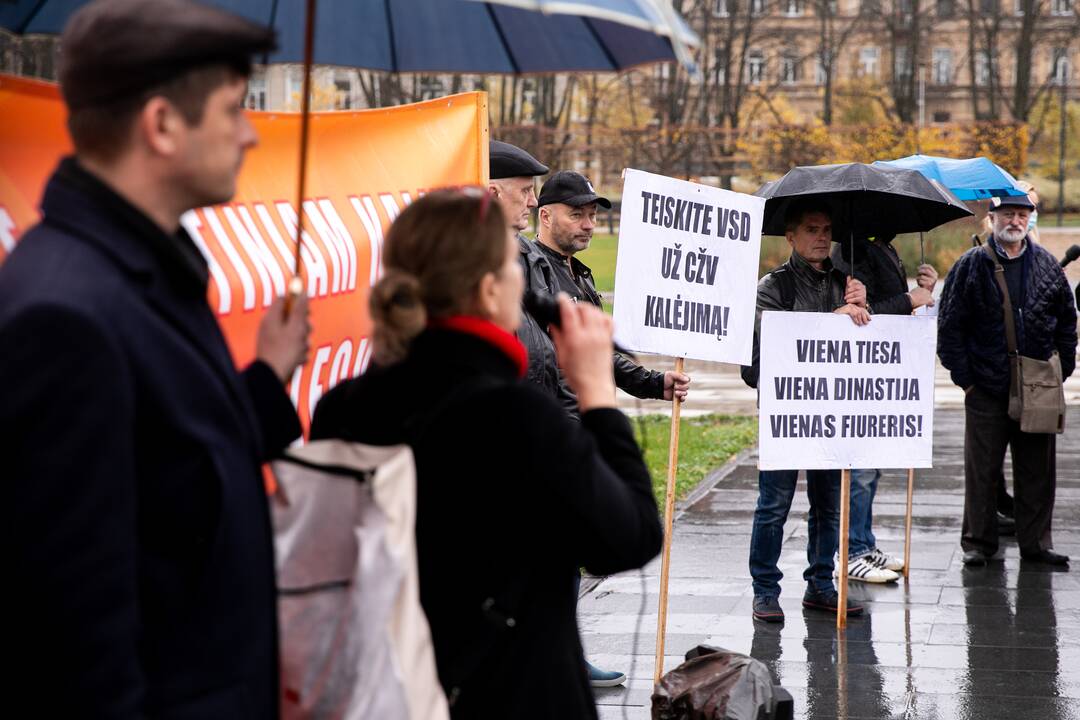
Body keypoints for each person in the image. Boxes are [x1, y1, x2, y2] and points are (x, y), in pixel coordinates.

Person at [1, 1, 311, 717]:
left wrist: (266, 378)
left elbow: (173, 482)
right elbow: (75, 651)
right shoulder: (64, 316)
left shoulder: (146, 271)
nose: (252, 133)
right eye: (235, 109)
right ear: (163, 124)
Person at [310, 191, 663, 719]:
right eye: (510, 265)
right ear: (489, 288)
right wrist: (598, 398)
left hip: (388, 687)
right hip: (509, 691)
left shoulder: (344, 407)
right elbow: (628, 538)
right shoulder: (515, 415)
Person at [740, 199, 870, 623]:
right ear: (791, 237)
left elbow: (868, 343)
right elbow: (776, 342)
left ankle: (821, 583)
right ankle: (765, 589)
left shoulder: (846, 282)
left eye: (827, 229)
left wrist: (864, 306)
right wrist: (836, 316)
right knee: (774, 504)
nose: (822, 237)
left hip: (833, 414)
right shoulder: (771, 287)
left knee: (830, 504)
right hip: (787, 414)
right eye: (812, 229)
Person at [937, 194, 1077, 568]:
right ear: (992, 218)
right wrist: (967, 380)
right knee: (982, 470)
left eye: (1022, 214)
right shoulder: (970, 266)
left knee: (1038, 470)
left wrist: (1060, 370)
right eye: (1008, 214)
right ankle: (978, 544)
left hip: (1037, 384)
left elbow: (1067, 321)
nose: (1015, 221)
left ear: (1030, 220)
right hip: (985, 385)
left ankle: (1036, 544)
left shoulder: (1047, 264)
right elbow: (950, 328)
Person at [829, 235, 939, 583]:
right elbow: (864, 316)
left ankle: (863, 541)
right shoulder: (852, 248)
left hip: (875, 374)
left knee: (870, 467)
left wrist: (921, 292)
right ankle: (850, 552)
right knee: (858, 471)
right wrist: (910, 298)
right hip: (856, 375)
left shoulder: (881, 245)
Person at [531, 170, 691, 403]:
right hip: (558, 426)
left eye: (592, 215)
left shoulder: (580, 274)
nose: (588, 225)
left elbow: (598, 352)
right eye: (576, 215)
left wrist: (653, 383)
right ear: (545, 217)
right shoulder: (534, 272)